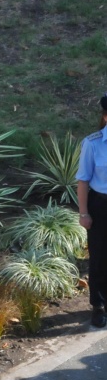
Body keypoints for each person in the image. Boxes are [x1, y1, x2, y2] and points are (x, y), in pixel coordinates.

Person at [77, 93, 107, 328]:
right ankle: (98, 306)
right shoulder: (93, 143)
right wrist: (84, 213)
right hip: (100, 205)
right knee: (98, 258)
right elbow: (83, 180)